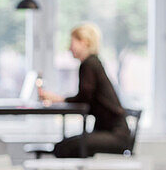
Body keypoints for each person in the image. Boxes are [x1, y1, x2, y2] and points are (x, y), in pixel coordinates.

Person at [38, 22, 130, 157]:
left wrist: (59, 99)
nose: (69, 48)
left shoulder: (89, 64)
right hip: (113, 132)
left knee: (64, 148)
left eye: (72, 42)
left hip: (115, 135)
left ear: (84, 42)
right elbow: (86, 99)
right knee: (64, 146)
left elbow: (84, 98)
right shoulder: (93, 63)